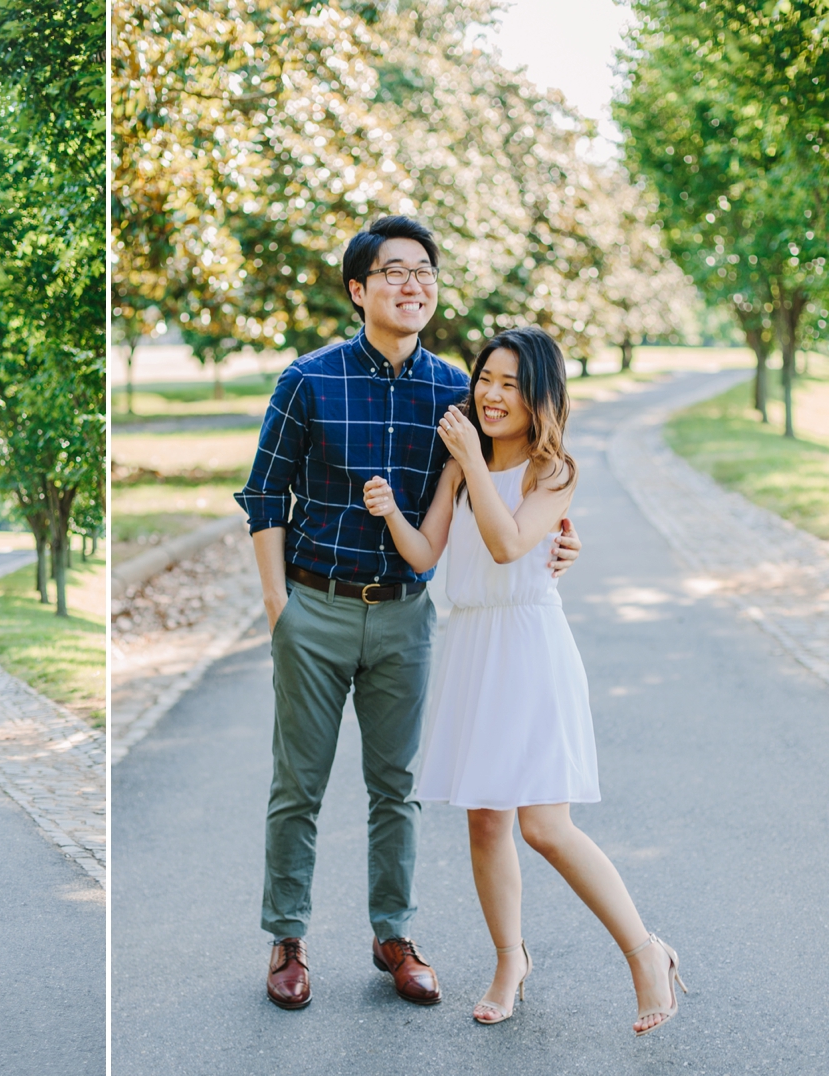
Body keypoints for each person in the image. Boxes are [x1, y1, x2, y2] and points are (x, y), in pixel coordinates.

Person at [235, 216, 582, 1011]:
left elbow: (515, 476)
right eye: (393, 271)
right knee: (299, 786)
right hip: (314, 608)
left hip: (408, 616)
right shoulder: (307, 380)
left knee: (397, 787)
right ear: (359, 290)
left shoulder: (454, 392)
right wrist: (276, 606)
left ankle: (393, 933)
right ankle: (288, 937)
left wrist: (561, 537)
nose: (412, 283)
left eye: (424, 270)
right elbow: (263, 496)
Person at [363, 326, 685, 1035]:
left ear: (540, 396)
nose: (491, 394)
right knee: (484, 819)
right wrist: (391, 514)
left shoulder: (554, 471)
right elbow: (425, 554)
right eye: (485, 379)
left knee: (545, 825)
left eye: (510, 384)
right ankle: (510, 960)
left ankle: (645, 952)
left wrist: (472, 460)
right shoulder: (459, 465)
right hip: (472, 644)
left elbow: (509, 545)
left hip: (530, 648)